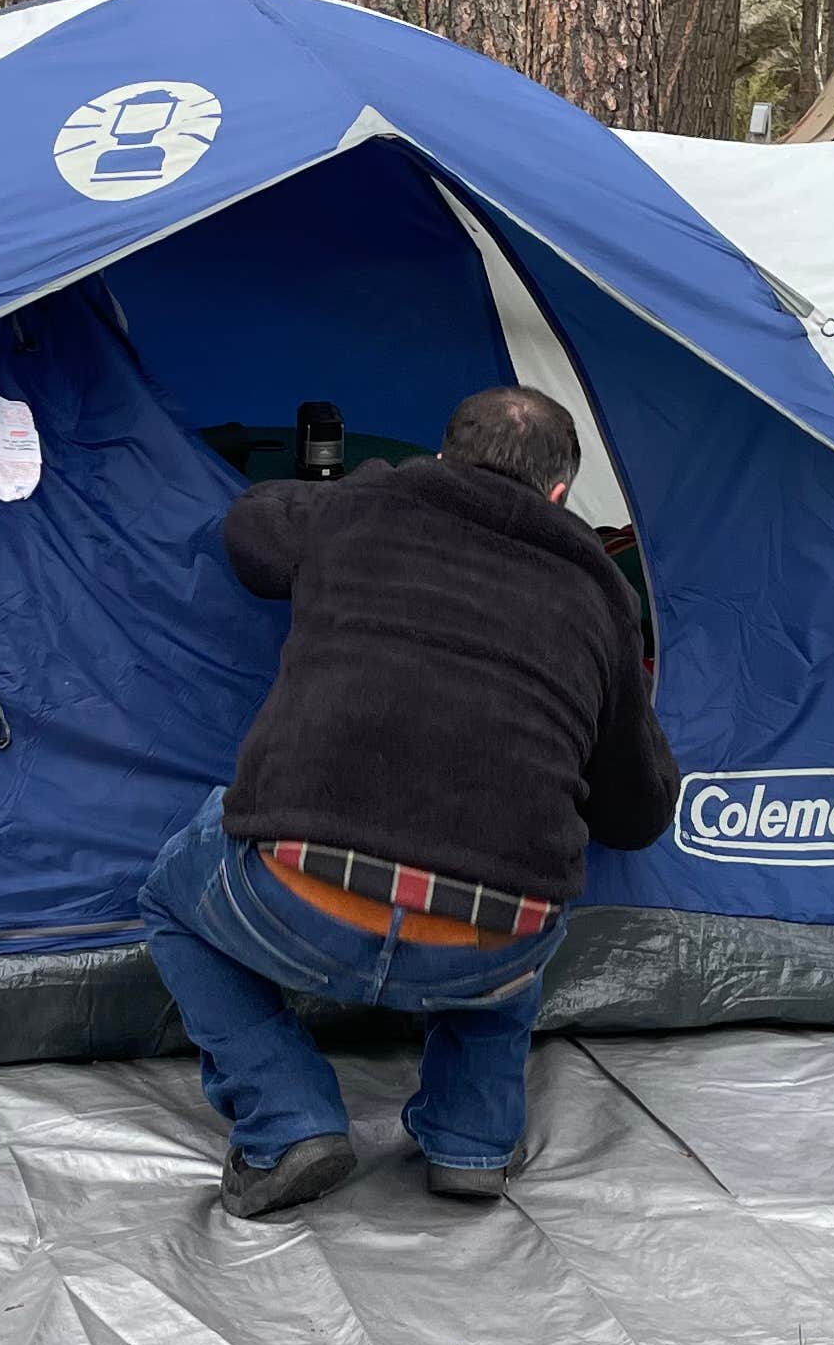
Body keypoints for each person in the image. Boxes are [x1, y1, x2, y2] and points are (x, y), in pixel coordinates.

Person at [139, 384, 679, 1218]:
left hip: (297, 905)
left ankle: (288, 1120)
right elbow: (636, 816)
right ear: (562, 494)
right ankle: (470, 1142)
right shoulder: (606, 597)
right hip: (484, 951)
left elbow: (249, 531)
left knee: (174, 896)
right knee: (529, 885)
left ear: (443, 455)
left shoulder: (368, 506)